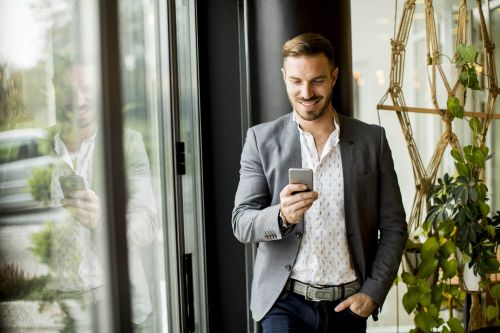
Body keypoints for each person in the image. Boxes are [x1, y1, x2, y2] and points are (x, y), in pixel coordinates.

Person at [232, 33, 407, 332]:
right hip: (283, 303)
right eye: (296, 81)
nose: (306, 92)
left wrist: (373, 293)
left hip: (348, 306)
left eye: (317, 80)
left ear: (335, 76)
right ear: (284, 77)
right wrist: (282, 216)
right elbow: (241, 222)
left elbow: (394, 227)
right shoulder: (260, 140)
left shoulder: (371, 141)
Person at [48, 60, 157, 327]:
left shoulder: (126, 143)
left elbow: (148, 223)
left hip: (114, 304)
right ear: (54, 87)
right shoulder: (42, 148)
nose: (79, 100)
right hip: (59, 311)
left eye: (87, 88)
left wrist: (103, 221)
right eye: (69, 89)